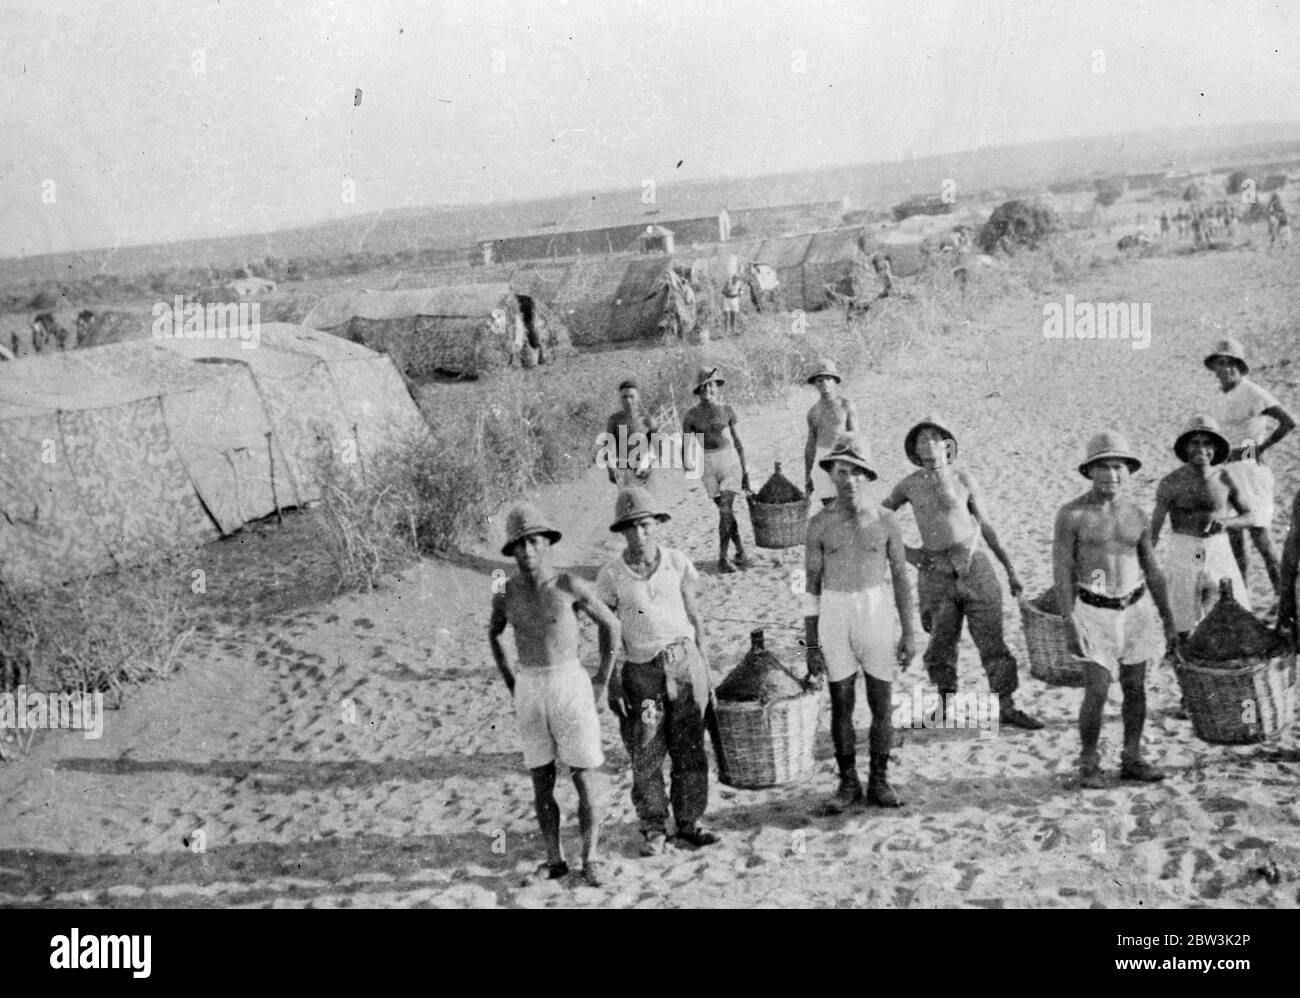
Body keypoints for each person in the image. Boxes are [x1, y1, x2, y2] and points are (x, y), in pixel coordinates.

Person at [488, 503, 621, 887]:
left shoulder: (568, 586)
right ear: (511, 551)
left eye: (533, 540)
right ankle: (555, 858)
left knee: (584, 776)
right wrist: (512, 682)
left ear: (547, 542)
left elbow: (611, 625)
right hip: (530, 685)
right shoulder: (506, 592)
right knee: (541, 778)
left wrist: (601, 679)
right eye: (519, 544)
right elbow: (495, 633)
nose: (527, 549)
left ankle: (591, 856)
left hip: (570, 683)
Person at [882, 416, 1043, 730]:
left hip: (974, 567)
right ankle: (944, 704)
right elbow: (879, 518)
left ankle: (1007, 706)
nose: (928, 443)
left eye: (935, 436)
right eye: (921, 438)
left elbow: (988, 526)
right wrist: (910, 553)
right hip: (934, 573)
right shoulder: (909, 485)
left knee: (992, 641)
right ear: (914, 448)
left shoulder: (963, 478)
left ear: (947, 444)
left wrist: (1011, 571)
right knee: (940, 643)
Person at [597, 487, 721, 856]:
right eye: (631, 528)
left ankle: (690, 821)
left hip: (684, 666)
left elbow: (695, 616)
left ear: (657, 525)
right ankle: (653, 825)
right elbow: (607, 631)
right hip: (643, 675)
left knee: (689, 747)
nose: (639, 535)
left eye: (646, 525)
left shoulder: (677, 562)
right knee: (647, 748)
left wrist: (706, 668)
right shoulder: (611, 575)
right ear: (622, 531)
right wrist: (612, 681)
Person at [1053, 431, 1179, 789]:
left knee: (1136, 688)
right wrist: (1069, 621)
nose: (1111, 474)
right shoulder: (1072, 514)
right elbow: (1061, 570)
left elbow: (1153, 568)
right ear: (1090, 471)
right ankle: (1089, 761)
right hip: (1094, 609)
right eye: (1103, 467)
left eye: (1118, 466)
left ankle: (1132, 756)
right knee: (1097, 689)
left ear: (1128, 471)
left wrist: (1169, 621)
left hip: (1135, 608)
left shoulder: (1136, 513)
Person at [805, 433, 914, 811]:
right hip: (835, 612)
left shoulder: (886, 520)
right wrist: (811, 644)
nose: (848, 480)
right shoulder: (819, 524)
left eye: (855, 472)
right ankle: (848, 783)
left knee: (881, 702)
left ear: (867, 476)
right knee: (841, 702)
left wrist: (909, 633)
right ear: (831, 475)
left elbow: (901, 577)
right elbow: (811, 587)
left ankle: (880, 781)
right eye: (841, 472)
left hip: (875, 609)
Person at [1204, 337, 1296, 597]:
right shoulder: (1218, 396)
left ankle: (1284, 598)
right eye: (1222, 363)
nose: (1227, 368)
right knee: (1234, 536)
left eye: (1232, 363)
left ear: (1240, 366)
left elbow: (1288, 422)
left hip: (1250, 468)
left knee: (1261, 536)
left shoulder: (1253, 391)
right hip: (1225, 469)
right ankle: (1243, 597)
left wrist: (1259, 448)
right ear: (1215, 368)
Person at [1150, 414, 1252, 642]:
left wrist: (1227, 522)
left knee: (1231, 613)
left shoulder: (1225, 477)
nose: (1201, 449)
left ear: (1215, 448)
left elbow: (1250, 515)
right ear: (1185, 447)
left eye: (1207, 443)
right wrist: (1145, 562)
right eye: (1195, 443)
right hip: (1185, 549)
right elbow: (1154, 530)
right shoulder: (1170, 482)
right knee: (1182, 618)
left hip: (1217, 549)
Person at [681, 366, 751, 573]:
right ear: (698, 390)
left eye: (711, 385)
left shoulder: (727, 410)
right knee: (725, 512)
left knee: (725, 510)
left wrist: (745, 471)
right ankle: (740, 550)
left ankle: (722, 558)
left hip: (729, 462)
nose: (708, 390)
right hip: (707, 465)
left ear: (717, 387)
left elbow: (738, 442)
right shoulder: (691, 416)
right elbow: (686, 443)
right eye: (703, 387)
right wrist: (687, 460)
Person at [803, 359, 858, 508]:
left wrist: (855, 464)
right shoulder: (813, 412)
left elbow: (855, 436)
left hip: (842, 457)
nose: (824, 383)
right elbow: (811, 444)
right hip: (821, 460)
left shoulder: (845, 405)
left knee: (850, 505)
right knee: (830, 507)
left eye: (828, 379)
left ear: (835, 381)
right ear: (815, 384)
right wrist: (807, 475)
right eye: (819, 380)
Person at [599, 379, 660, 490]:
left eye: (632, 396)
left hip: (644, 469)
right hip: (624, 471)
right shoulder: (615, 420)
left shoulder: (647, 419)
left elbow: (656, 447)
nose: (628, 400)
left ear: (638, 398)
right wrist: (611, 470)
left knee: (646, 504)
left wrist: (649, 465)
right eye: (624, 397)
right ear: (620, 399)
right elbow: (608, 448)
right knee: (629, 503)